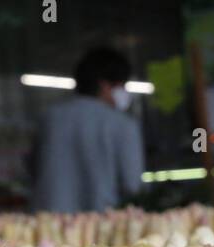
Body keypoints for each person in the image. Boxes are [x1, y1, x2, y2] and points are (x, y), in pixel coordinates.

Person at [33, 47, 145, 213]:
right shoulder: (123, 125)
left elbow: (33, 169)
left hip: (46, 222)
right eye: (122, 86)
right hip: (101, 226)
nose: (124, 93)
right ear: (105, 85)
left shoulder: (48, 118)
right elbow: (132, 185)